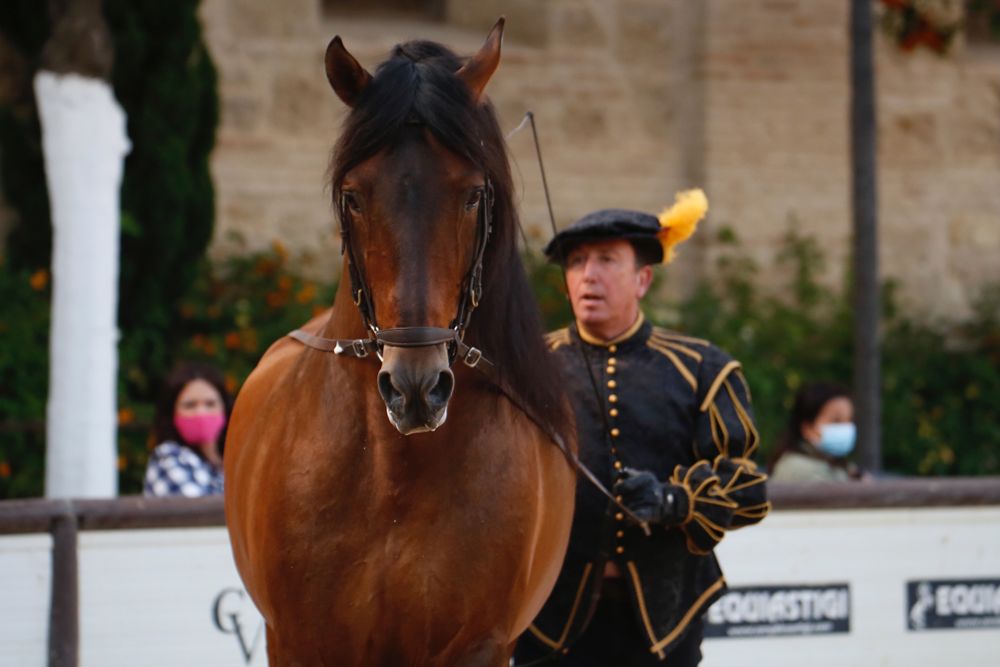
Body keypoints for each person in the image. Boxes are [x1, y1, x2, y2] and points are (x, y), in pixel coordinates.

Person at [514, 191, 770, 666]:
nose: (589, 275)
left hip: (664, 617)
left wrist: (678, 502)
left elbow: (749, 491)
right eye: (576, 262)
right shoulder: (528, 368)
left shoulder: (702, 367)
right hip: (550, 618)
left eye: (607, 260)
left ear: (643, 279)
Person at [143, 363, 232, 497]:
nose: (201, 412)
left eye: (210, 403)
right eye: (190, 405)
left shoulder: (230, 464)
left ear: (224, 408)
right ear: (171, 413)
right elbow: (202, 514)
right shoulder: (169, 457)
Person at [769, 381, 863, 482]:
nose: (845, 428)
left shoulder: (836, 464)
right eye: (836, 420)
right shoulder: (798, 469)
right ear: (807, 428)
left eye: (849, 420)